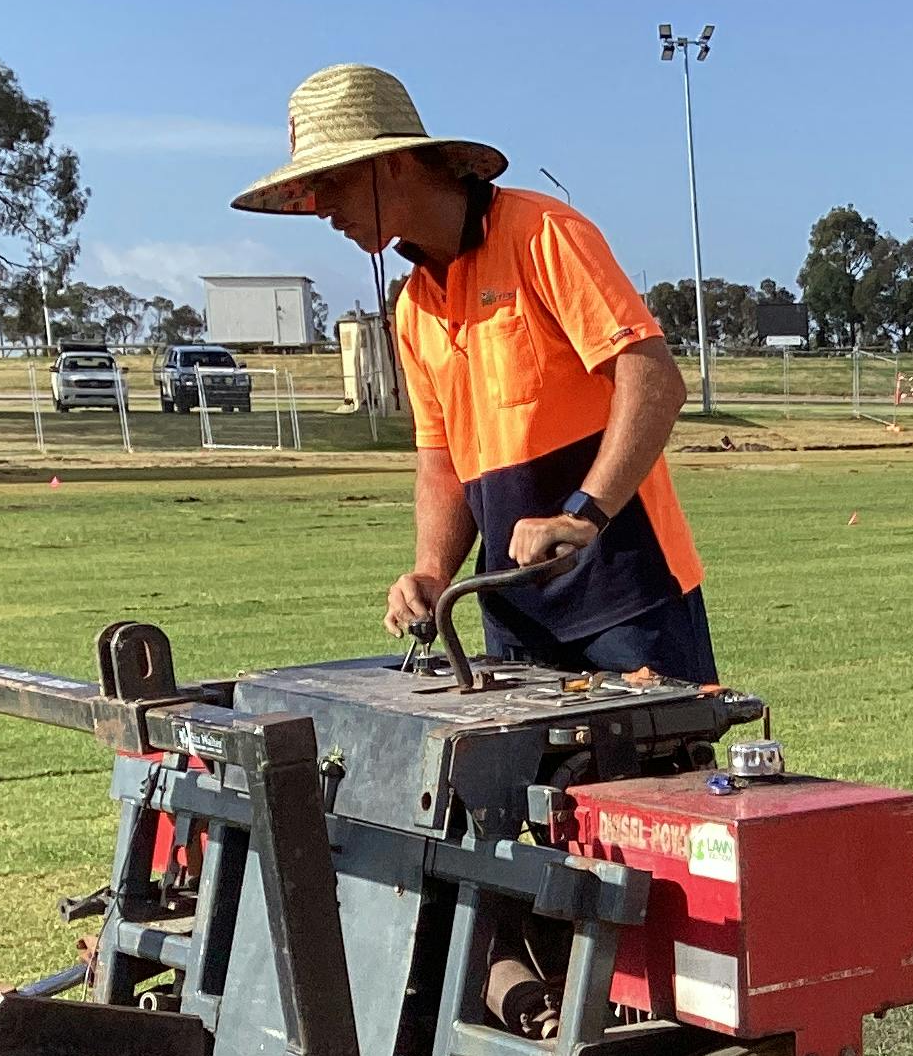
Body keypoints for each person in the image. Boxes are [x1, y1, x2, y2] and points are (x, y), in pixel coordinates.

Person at [232, 64, 716, 680]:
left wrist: (582, 516)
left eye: (331, 183)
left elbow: (653, 381)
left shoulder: (543, 233)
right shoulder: (412, 307)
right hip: (512, 619)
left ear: (392, 164)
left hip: (628, 597)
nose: (322, 209)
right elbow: (441, 460)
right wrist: (433, 572)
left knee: (662, 778)